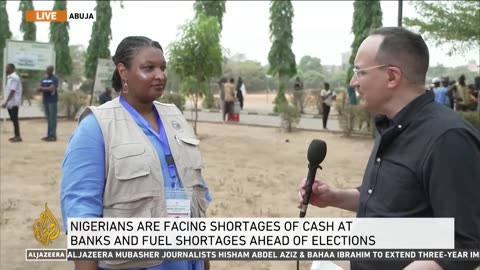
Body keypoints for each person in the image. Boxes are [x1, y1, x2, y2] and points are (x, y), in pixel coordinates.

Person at [297, 27, 480, 270]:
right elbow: (389, 199)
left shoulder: (447, 139)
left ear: (392, 76)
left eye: (359, 72)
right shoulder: (391, 125)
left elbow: (465, 246)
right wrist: (334, 197)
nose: (353, 83)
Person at [60, 36, 211, 270]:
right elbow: (82, 214)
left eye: (162, 67)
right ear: (123, 71)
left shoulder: (175, 118)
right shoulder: (96, 127)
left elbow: (196, 192)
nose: (160, 75)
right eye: (148, 68)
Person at [2, 63, 23, 142]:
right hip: (11, 102)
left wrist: (6, 102)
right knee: (13, 119)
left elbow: (13, 91)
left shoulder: (14, 78)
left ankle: (18, 136)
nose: (6, 70)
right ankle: (16, 135)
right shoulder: (11, 78)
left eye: (7, 68)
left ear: (12, 69)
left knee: (14, 119)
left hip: (13, 102)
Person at [37, 65, 59, 142]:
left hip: (52, 101)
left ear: (52, 70)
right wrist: (43, 89)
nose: (48, 70)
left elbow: (51, 88)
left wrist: (43, 89)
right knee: (48, 119)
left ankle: (53, 136)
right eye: (47, 69)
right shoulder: (44, 79)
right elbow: (39, 88)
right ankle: (49, 135)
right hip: (45, 101)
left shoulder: (54, 79)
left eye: (50, 69)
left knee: (52, 119)